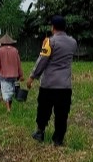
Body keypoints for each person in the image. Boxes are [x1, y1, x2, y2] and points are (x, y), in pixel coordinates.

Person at [27, 16, 78, 146]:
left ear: (52, 27)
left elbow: (42, 61)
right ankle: (58, 139)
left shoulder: (49, 42)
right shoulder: (73, 42)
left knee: (44, 110)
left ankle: (40, 132)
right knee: (62, 114)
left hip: (49, 85)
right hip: (65, 86)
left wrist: (33, 76)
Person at [0, 34, 24, 111]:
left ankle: (8, 108)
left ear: (2, 43)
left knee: (5, 90)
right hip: (14, 75)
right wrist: (21, 74)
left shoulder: (0, 51)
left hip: (4, 74)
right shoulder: (15, 50)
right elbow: (18, 63)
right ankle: (10, 106)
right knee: (11, 89)